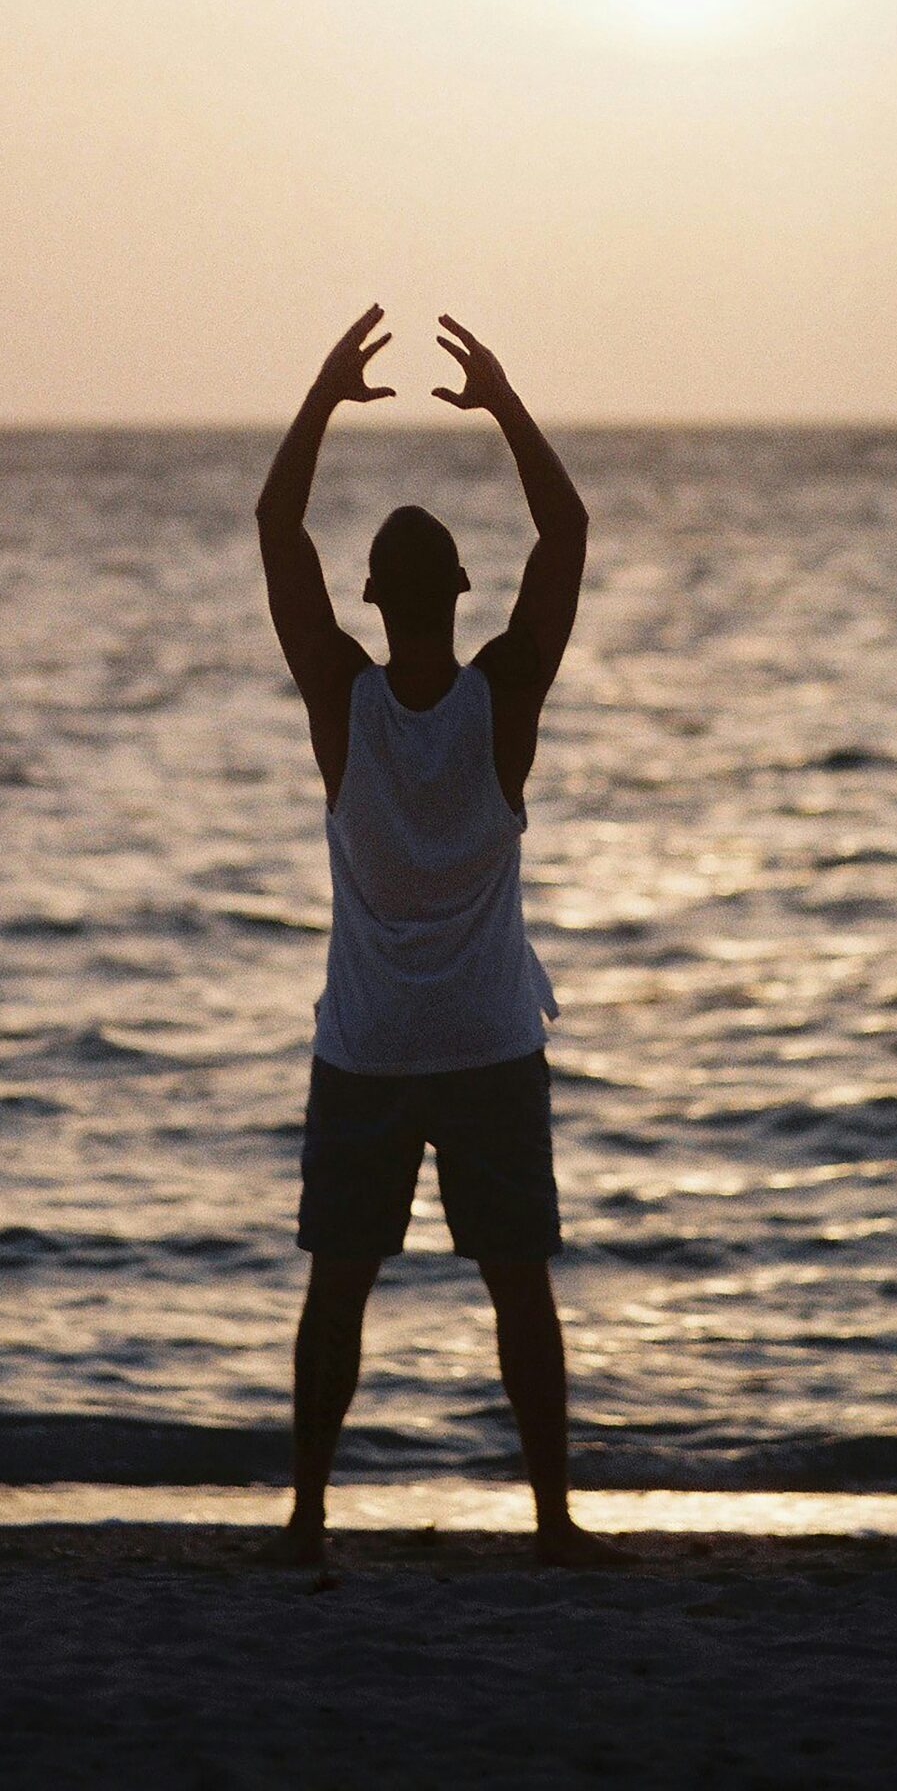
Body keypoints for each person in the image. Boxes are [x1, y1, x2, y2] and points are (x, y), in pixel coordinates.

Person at [255, 305, 626, 1568]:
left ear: (371, 599)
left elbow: (273, 527)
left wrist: (322, 395)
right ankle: (551, 1520)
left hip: (364, 1050)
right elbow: (567, 534)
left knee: (337, 1290)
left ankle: (306, 1521)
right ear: (459, 593)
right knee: (517, 1286)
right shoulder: (502, 704)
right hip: (482, 1045)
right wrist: (505, 404)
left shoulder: (339, 706)